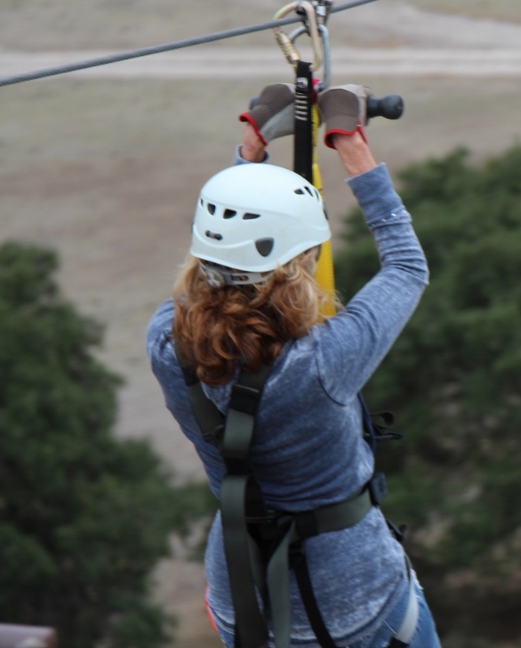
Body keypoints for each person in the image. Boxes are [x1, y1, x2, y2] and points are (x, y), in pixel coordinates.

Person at [146, 84, 436, 648]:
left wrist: (247, 154)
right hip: (356, 606)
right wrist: (349, 140)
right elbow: (405, 265)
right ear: (297, 265)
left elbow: (214, 250)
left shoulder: (166, 343)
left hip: (241, 602)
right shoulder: (321, 364)